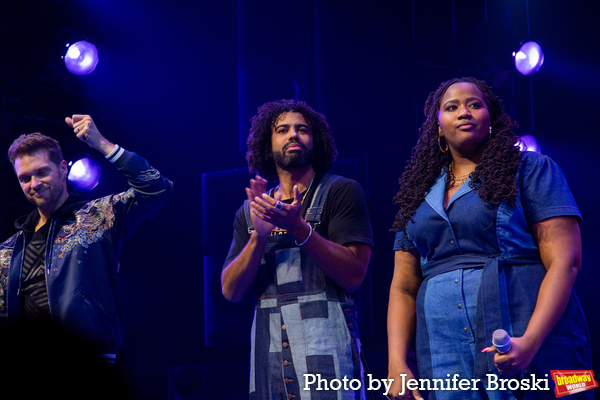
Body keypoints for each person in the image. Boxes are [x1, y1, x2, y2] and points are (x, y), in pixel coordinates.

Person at [386, 77, 591, 400]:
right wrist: (397, 363)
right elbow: (403, 286)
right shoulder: (417, 193)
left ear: (491, 118)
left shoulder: (531, 169)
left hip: (526, 326)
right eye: (451, 107)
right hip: (442, 347)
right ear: (438, 126)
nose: (464, 112)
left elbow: (567, 261)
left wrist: (531, 340)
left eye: (474, 104)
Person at [221, 99, 374, 399]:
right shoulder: (250, 210)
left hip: (327, 358)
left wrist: (299, 228)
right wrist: (258, 237)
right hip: (268, 361)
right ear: (268, 147)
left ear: (315, 143)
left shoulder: (341, 192)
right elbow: (231, 291)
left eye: (302, 130)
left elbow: (354, 275)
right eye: (283, 130)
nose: (293, 135)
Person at [0, 114, 172, 364]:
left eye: (41, 172)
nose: (34, 184)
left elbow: (157, 188)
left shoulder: (99, 216)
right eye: (25, 178)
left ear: (62, 169)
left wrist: (101, 143)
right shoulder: (9, 249)